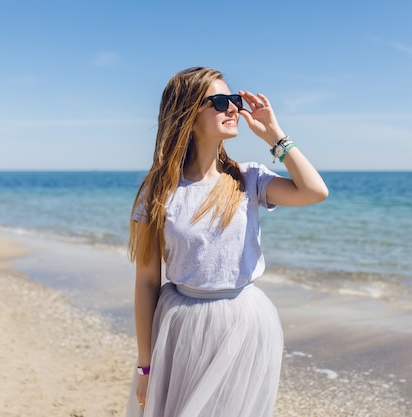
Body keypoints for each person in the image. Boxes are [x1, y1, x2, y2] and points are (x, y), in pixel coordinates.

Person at [126, 66, 328, 417]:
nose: (233, 108)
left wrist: (276, 137)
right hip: (182, 325)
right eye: (219, 101)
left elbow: (314, 191)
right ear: (187, 114)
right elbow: (146, 282)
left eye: (233, 99)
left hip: (245, 321)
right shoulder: (157, 192)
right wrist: (145, 368)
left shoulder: (248, 178)